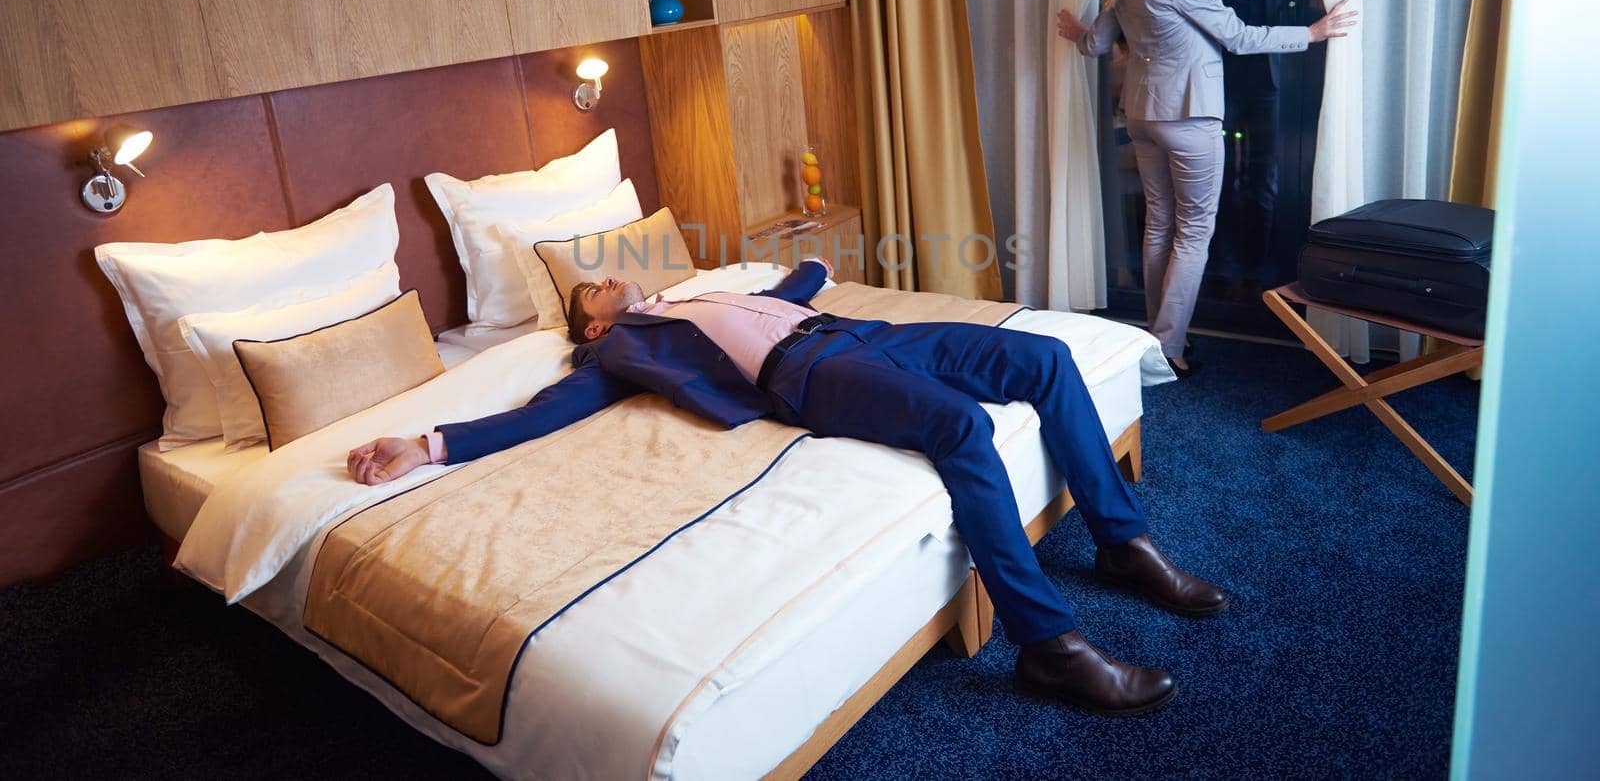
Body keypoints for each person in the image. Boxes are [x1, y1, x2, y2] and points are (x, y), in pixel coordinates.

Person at [349, 258, 1229, 717]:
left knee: (1046, 356)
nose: (614, 274)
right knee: (961, 427)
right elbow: (548, 409)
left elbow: (789, 287)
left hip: (862, 332)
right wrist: (429, 443)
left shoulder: (696, 295)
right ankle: (1050, 647)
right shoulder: (620, 347)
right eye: (597, 284)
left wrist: (799, 267)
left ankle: (1122, 543)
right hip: (808, 377)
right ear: (593, 318)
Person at [1058, 0, 1356, 378]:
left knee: (1160, 226)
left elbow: (1098, 43)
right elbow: (1239, 37)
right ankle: (1166, 349)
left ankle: (1157, 337)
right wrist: (1312, 33)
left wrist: (1075, 31)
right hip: (1189, 117)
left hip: (1145, 116)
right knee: (1193, 233)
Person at [1186, 0, 1304, 284]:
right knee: (1217, 179)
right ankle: (1219, 269)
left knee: (1264, 178)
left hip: (1268, 84)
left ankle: (1259, 272)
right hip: (1219, 83)